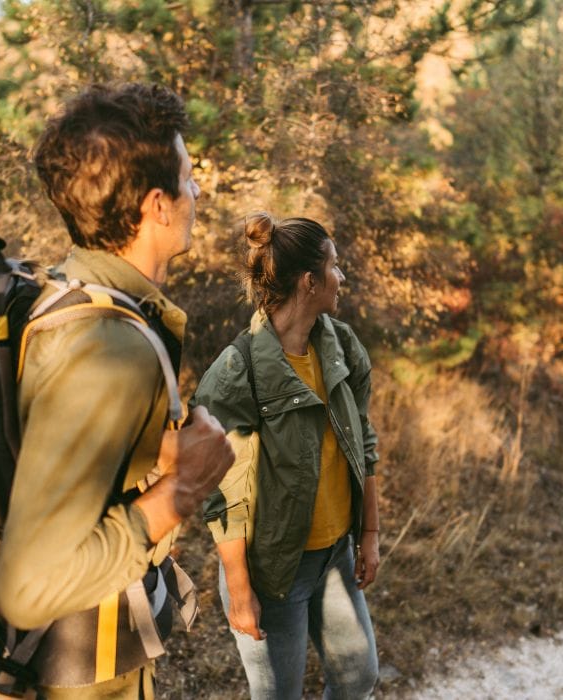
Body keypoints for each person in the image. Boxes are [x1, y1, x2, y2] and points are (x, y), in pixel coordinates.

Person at [0, 83, 234, 698]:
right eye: (187, 177)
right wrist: (182, 490)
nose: (196, 191)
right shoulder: (109, 346)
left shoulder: (68, 294)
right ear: (157, 205)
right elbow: (29, 585)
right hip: (74, 671)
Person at [193, 212, 381, 699]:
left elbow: (363, 440)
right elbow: (223, 494)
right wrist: (239, 590)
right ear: (309, 281)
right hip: (274, 568)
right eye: (335, 267)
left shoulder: (341, 347)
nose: (342, 277)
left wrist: (371, 533)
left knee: (358, 676)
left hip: (336, 554)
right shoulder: (239, 371)